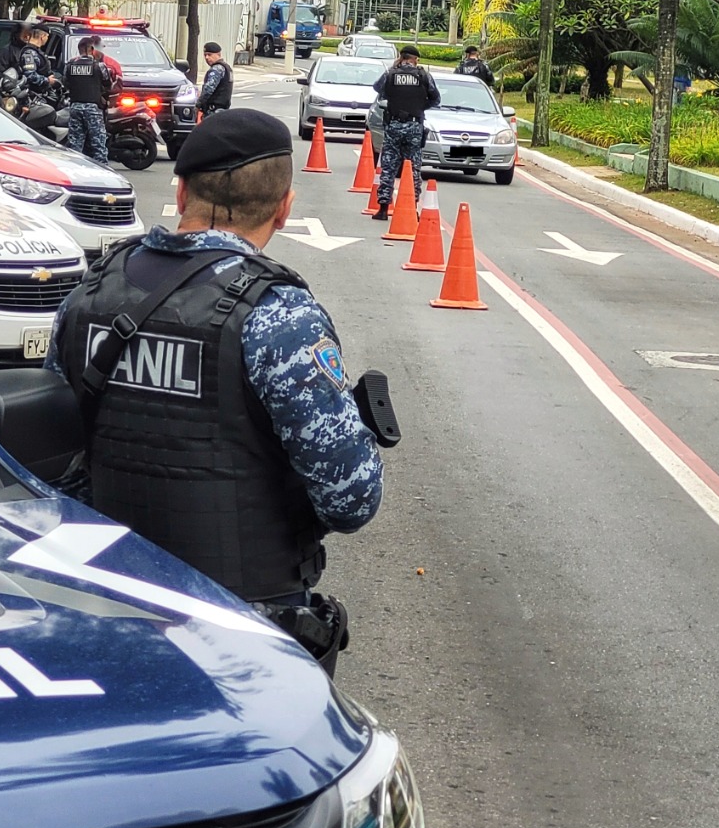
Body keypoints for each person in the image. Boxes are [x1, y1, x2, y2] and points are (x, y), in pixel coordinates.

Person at [45, 109, 383, 669]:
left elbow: (54, 454)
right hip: (239, 632)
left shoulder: (92, 292)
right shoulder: (279, 316)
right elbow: (350, 499)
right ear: (283, 208)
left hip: (105, 603)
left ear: (180, 193)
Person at [371, 45, 440, 221]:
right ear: (415, 59)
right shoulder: (423, 75)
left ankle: (383, 209)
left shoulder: (390, 74)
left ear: (401, 57)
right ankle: (412, 208)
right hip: (414, 126)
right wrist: (419, 107)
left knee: (389, 166)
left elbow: (377, 88)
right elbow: (436, 99)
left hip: (394, 124)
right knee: (413, 168)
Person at [63, 35, 115, 164]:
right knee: (98, 143)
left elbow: (66, 83)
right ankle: (102, 170)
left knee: (75, 144)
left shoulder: (69, 65)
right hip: (93, 109)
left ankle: (74, 168)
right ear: (92, 49)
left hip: (75, 107)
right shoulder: (99, 66)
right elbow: (108, 85)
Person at [16, 23, 58, 92]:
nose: (47, 39)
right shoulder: (29, 53)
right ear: (42, 36)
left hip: (41, 92)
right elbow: (30, 75)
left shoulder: (37, 51)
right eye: (47, 36)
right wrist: (47, 80)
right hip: (33, 94)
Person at [198, 42, 233, 117]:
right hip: (223, 111)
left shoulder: (217, 69)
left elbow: (208, 89)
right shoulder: (227, 68)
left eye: (209, 55)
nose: (207, 57)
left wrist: (198, 103)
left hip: (213, 111)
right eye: (205, 55)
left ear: (218, 54)